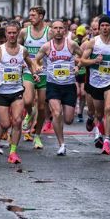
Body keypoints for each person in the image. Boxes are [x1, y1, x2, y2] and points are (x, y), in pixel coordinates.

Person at [0, 22, 37, 164]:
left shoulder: (23, 50)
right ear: (6, 35)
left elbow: (30, 63)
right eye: (9, 33)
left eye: (14, 33)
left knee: (17, 121)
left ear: (18, 34)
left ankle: (13, 152)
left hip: (17, 90)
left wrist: (34, 73)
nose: (12, 35)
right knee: (5, 123)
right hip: (2, 92)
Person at [80, 16, 110, 156]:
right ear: (99, 27)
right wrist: (95, 60)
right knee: (99, 113)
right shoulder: (93, 43)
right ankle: (96, 126)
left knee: (109, 109)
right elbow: (83, 60)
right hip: (96, 82)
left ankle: (107, 140)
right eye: (102, 25)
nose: (105, 28)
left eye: (107, 25)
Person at [34, 20, 82, 156]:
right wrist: (38, 67)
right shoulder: (46, 47)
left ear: (65, 30)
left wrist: (78, 66)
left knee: (68, 119)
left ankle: (62, 140)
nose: (58, 30)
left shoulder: (71, 44)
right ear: (52, 30)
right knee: (56, 113)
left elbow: (83, 55)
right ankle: (61, 144)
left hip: (69, 85)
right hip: (53, 85)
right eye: (56, 28)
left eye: (61, 28)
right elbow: (35, 60)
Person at [18, 6, 49, 149]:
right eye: (29, 15)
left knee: (42, 107)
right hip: (28, 71)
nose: (30, 17)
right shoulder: (25, 32)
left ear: (41, 16)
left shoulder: (49, 33)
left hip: (45, 73)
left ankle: (37, 136)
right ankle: (30, 114)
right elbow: (18, 50)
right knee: (28, 100)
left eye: (33, 15)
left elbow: (55, 50)